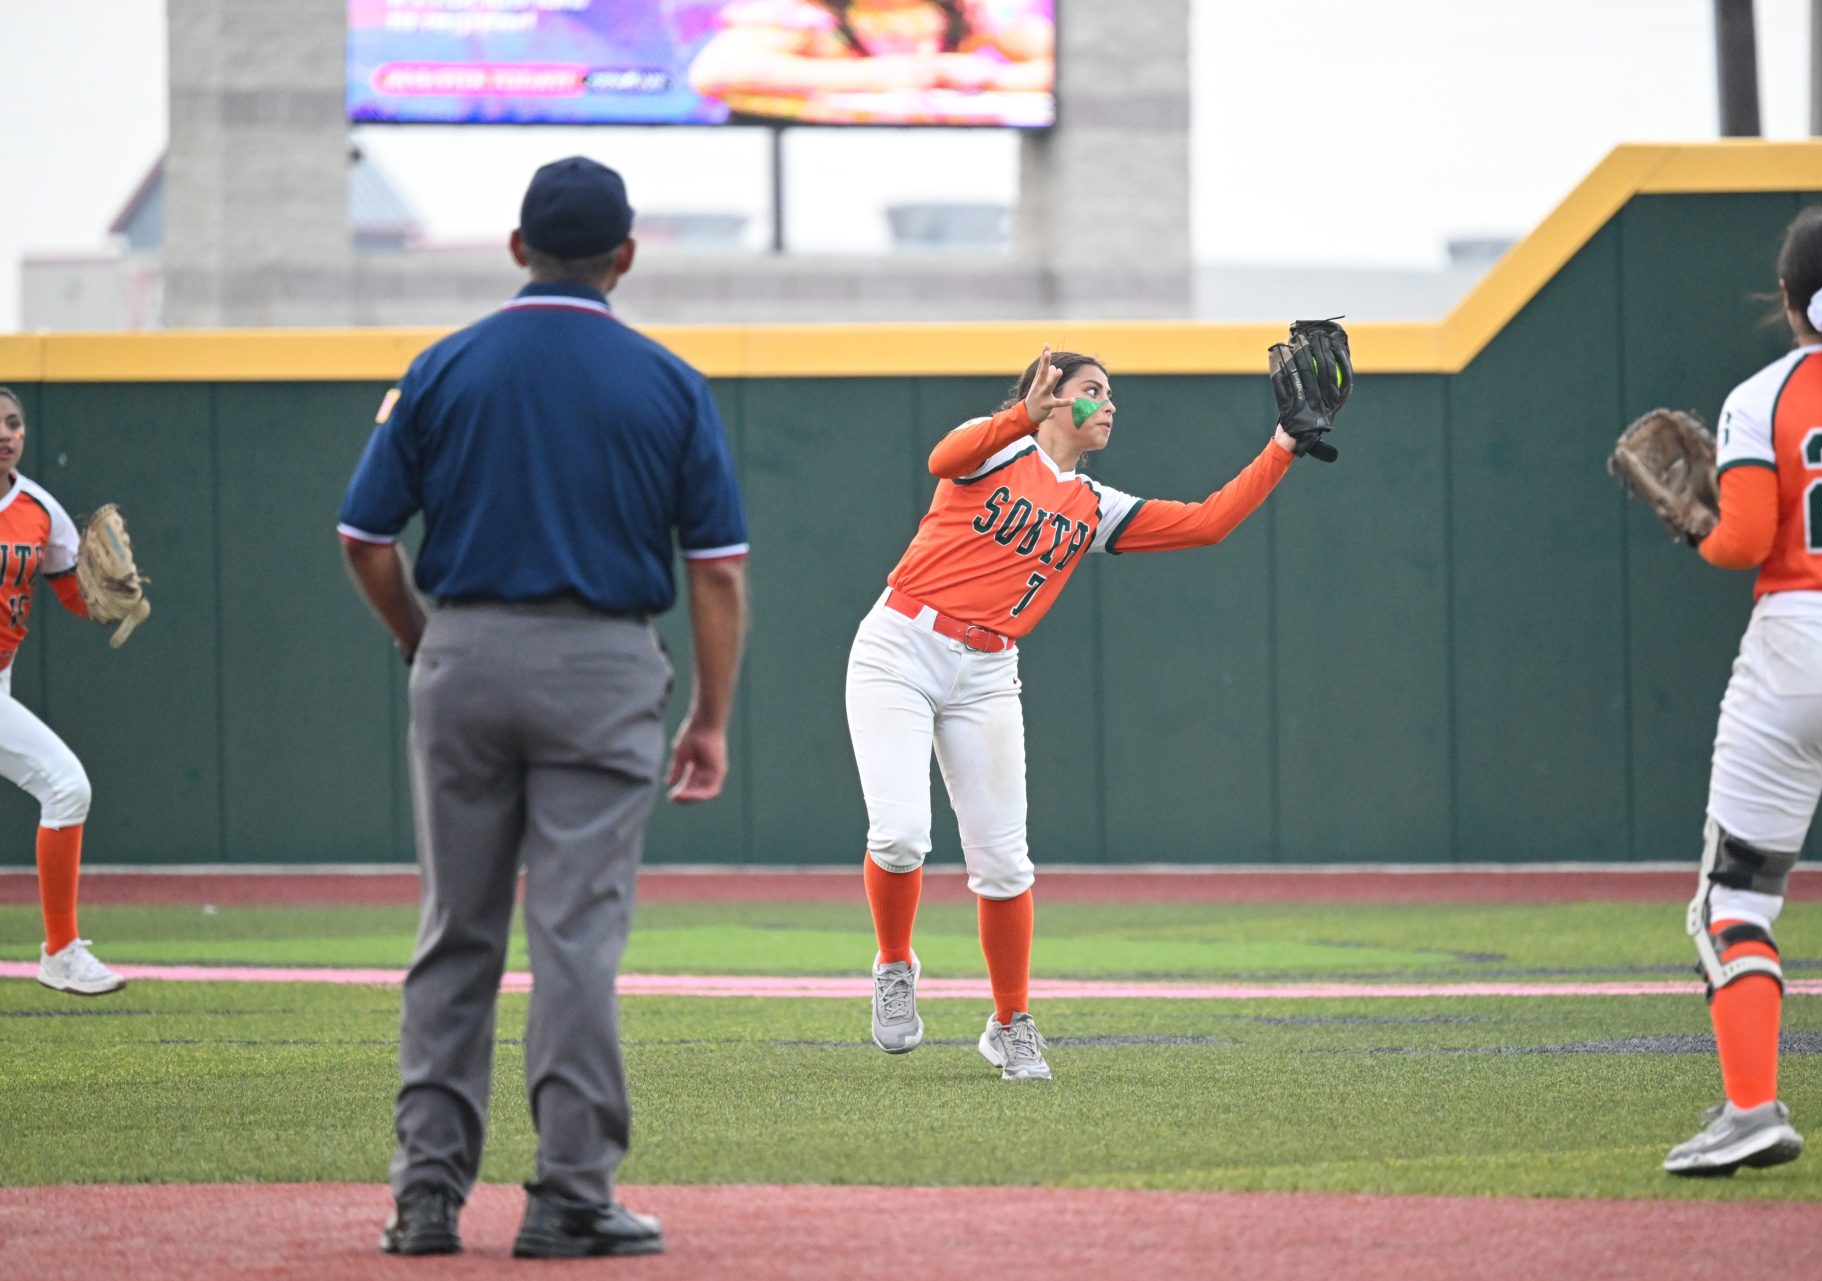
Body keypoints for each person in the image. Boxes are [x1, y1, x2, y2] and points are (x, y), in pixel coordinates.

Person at [338, 156, 750, 1256]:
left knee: (455, 932)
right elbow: (716, 568)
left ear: (517, 247)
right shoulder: (666, 380)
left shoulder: (443, 365)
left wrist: (427, 643)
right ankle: (570, 1197)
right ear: (624, 256)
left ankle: (425, 1198)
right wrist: (708, 717)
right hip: (604, 667)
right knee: (572, 940)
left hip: (463, 653)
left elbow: (363, 538)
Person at [850, 345, 1332, 1080]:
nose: (1108, 404)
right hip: (901, 648)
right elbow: (941, 457)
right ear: (1049, 394)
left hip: (987, 670)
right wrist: (1022, 412)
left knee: (1005, 862)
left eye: (1110, 394)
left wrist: (1283, 445)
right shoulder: (998, 446)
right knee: (901, 835)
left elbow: (1207, 522)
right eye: (1092, 390)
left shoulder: (1093, 505)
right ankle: (893, 964)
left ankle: (1010, 1020)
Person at [1663, 208, 1822, 1182]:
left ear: (1786, 299)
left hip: (1802, 646)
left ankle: (1751, 1110)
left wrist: (1696, 526)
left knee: (1735, 896)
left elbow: (1742, 542)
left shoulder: (1760, 396)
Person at [0, 389, 122, 998]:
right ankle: (61, 950)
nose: (5, 433)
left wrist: (108, 592)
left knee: (66, 786)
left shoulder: (39, 508)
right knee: (66, 783)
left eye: (14, 422)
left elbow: (76, 599)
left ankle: (61, 950)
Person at [685, 0, 1054, 122]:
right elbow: (716, 71)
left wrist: (990, 77)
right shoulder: (806, 11)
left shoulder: (965, 10)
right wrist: (876, 74)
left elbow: (1068, 62)